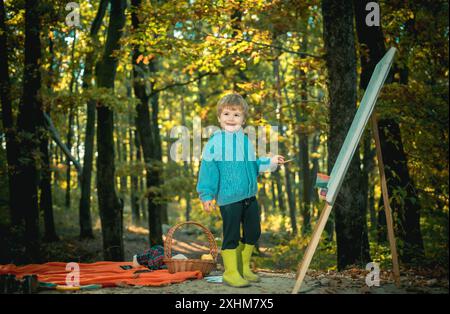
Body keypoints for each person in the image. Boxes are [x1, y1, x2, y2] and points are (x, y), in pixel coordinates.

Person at [196, 93, 285, 287]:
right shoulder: (215, 143)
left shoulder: (245, 141)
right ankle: (231, 272)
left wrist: (270, 161)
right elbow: (208, 170)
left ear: (243, 119)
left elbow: (252, 165)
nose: (231, 118)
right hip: (229, 199)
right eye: (226, 113)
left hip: (249, 195)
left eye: (236, 115)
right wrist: (206, 194)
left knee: (253, 232)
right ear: (219, 118)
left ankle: (243, 267)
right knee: (232, 236)